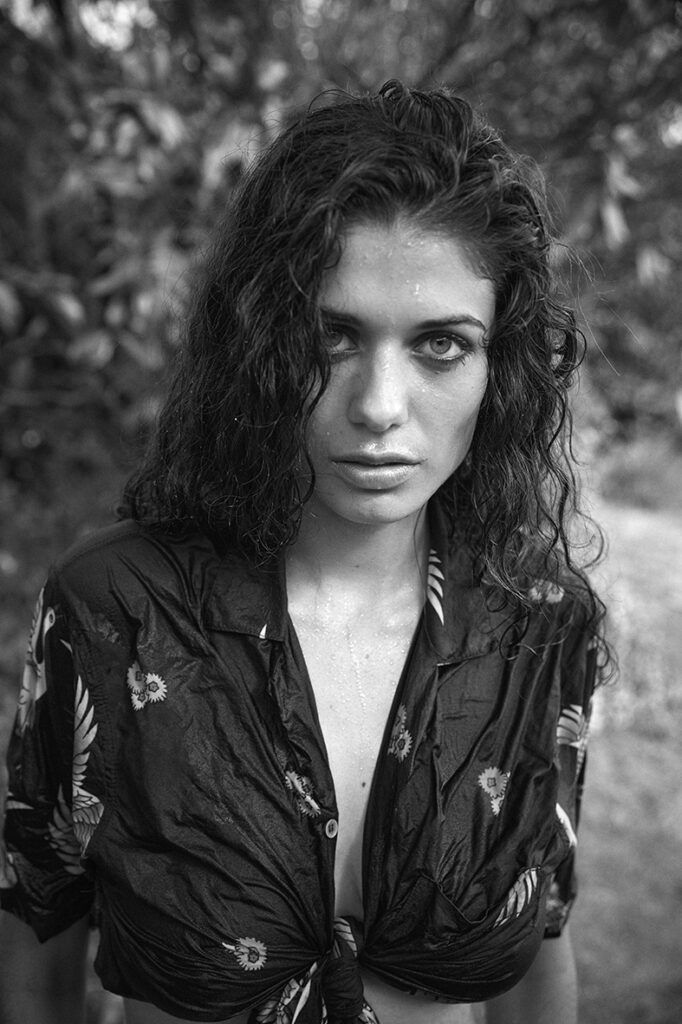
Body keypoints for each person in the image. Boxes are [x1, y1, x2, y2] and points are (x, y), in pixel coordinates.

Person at [0, 80, 608, 1024]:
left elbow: (540, 945)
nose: (379, 407)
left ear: (502, 366)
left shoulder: (542, 624)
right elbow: (38, 935)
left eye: (441, 346)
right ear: (261, 347)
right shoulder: (116, 607)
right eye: (333, 337)